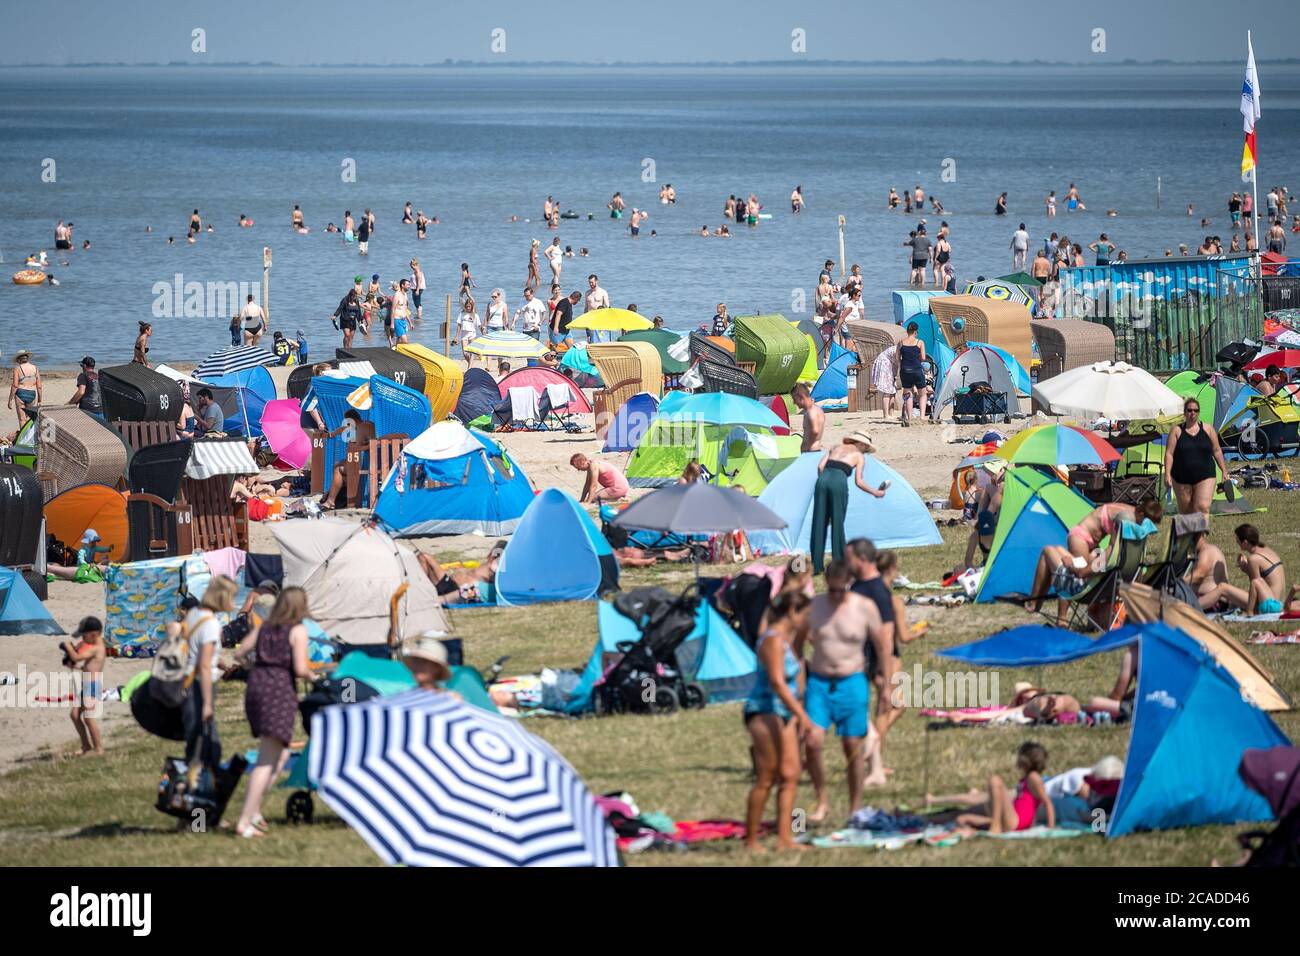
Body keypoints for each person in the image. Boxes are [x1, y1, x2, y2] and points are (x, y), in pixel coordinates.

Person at [232, 587, 312, 839]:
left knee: (280, 754)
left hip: (257, 685)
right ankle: (245, 820)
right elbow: (300, 669)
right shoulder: (297, 630)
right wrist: (316, 676)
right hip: (278, 690)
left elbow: (239, 652)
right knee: (267, 759)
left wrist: (255, 665)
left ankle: (254, 811)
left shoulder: (265, 627)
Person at [804, 560, 877, 822]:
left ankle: (854, 808)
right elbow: (797, 641)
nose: (835, 596)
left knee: (852, 747)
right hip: (820, 682)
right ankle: (822, 800)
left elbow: (883, 645)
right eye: (831, 590)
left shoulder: (864, 607)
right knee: (812, 742)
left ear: (850, 585)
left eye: (840, 591)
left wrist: (888, 684)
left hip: (852, 681)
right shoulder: (814, 607)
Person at [743, 590, 813, 853]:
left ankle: (785, 839)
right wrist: (802, 716)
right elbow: (777, 682)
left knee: (791, 775)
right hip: (764, 711)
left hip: (784, 714)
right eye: (804, 615)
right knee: (766, 777)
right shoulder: (771, 640)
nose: (805, 621)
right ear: (793, 613)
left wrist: (796, 716)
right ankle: (751, 840)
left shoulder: (786, 639)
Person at [930, 742, 1055, 834]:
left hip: (1017, 821)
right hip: (1010, 821)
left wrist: (1050, 829)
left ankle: (995, 826)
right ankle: (982, 829)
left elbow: (1047, 803)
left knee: (995, 781)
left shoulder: (1034, 777)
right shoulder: (1026, 779)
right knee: (961, 819)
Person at [183, 576, 237, 783]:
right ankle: (199, 800)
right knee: (209, 748)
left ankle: (194, 805)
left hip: (185, 682)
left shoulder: (194, 614)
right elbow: (205, 665)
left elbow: (200, 653)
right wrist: (207, 703)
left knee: (195, 744)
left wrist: (225, 666)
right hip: (198, 687)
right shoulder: (212, 624)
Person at [810, 432, 888, 573]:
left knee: (819, 522)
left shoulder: (835, 447)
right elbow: (859, 482)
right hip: (838, 481)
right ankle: (838, 563)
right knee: (837, 522)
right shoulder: (859, 456)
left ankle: (816, 565)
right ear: (862, 444)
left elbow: (820, 467)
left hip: (822, 480)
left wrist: (824, 480)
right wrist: (875, 492)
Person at [1199, 524, 1287, 615]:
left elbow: (1255, 587)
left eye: (1237, 540)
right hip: (1279, 601)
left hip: (1269, 604)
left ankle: (1193, 606)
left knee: (1223, 587)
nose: (1236, 542)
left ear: (1244, 542)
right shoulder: (1267, 550)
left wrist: (1250, 611)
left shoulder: (1254, 559)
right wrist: (1246, 568)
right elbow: (1263, 582)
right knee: (1233, 598)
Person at [1164, 397, 1229, 515]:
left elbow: (1217, 451)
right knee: (1186, 511)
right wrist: (1167, 474)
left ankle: (1201, 534)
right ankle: (1189, 532)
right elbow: (1169, 454)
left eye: (1195, 410)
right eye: (1189, 410)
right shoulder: (1176, 430)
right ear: (1184, 412)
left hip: (1206, 475)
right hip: (1181, 477)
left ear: (1199, 412)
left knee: (1203, 507)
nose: (1192, 413)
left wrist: (1224, 471)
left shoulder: (1208, 429)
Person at [61, 616, 106, 757]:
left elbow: (77, 657)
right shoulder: (93, 648)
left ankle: (99, 749)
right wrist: (74, 666)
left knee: (88, 717)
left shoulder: (98, 648)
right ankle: (86, 745)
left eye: (84, 635)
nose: (83, 639)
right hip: (86, 684)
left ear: (94, 634)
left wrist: (68, 647)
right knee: (74, 715)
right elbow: (87, 665)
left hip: (92, 685)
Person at [319, 410, 375, 510]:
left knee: (338, 469)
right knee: (340, 466)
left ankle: (331, 501)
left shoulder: (365, 427)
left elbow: (373, 443)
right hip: (360, 462)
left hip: (364, 463)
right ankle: (334, 495)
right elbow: (342, 429)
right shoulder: (360, 426)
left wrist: (359, 448)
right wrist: (333, 434)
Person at [418, 543, 503, 602]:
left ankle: (421, 594)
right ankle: (420, 591)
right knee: (423, 557)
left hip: (458, 591)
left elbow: (496, 586)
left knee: (424, 557)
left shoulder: (497, 571)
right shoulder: (484, 565)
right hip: (449, 583)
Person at [895, 321, 928, 425]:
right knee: (923, 394)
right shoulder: (920, 342)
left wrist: (903, 364)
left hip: (905, 370)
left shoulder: (901, 342)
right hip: (917, 370)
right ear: (915, 332)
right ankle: (922, 417)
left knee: (908, 394)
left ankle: (909, 418)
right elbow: (923, 358)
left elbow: (897, 358)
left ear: (907, 331)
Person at [8, 349, 42, 429]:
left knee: (22, 419)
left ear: (19, 359)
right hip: (31, 394)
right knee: (29, 418)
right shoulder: (35, 368)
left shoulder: (17, 369)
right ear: (27, 359)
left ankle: (23, 440)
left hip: (20, 393)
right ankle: (28, 437)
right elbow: (39, 386)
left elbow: (15, 385)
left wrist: (10, 399)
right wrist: (40, 400)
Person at [67, 355, 105, 423]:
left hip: (88, 412)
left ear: (84, 366)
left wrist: (70, 403)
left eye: (81, 365)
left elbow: (81, 392)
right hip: (101, 411)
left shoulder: (83, 375)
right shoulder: (98, 376)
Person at [790, 382, 824, 452]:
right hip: (816, 449)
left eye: (794, 399)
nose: (794, 402)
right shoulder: (818, 410)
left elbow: (815, 431)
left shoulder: (811, 412)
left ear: (800, 396)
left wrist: (807, 446)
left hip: (811, 451)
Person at [458, 295, 481, 364]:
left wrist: (483, 331)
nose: (468, 308)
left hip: (472, 334)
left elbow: (479, 325)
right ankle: (470, 364)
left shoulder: (475, 315)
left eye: (469, 306)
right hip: (464, 334)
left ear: (472, 307)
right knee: (465, 353)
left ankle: (470, 367)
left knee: (472, 352)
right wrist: (456, 336)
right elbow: (459, 325)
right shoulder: (462, 314)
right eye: (467, 306)